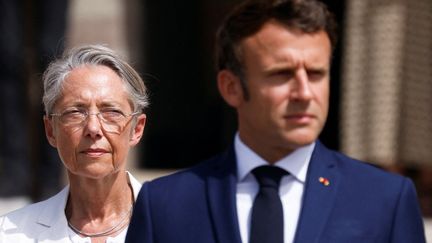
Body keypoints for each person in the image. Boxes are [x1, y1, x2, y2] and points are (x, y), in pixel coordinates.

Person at [125, 0, 426, 242]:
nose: (304, 92)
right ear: (231, 87)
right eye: (281, 74)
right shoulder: (164, 204)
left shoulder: (385, 200)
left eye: (316, 73)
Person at [0, 44, 148, 243]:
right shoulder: (11, 233)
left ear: (136, 129)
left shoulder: (176, 223)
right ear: (51, 130)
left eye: (111, 112)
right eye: (75, 112)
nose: (93, 128)